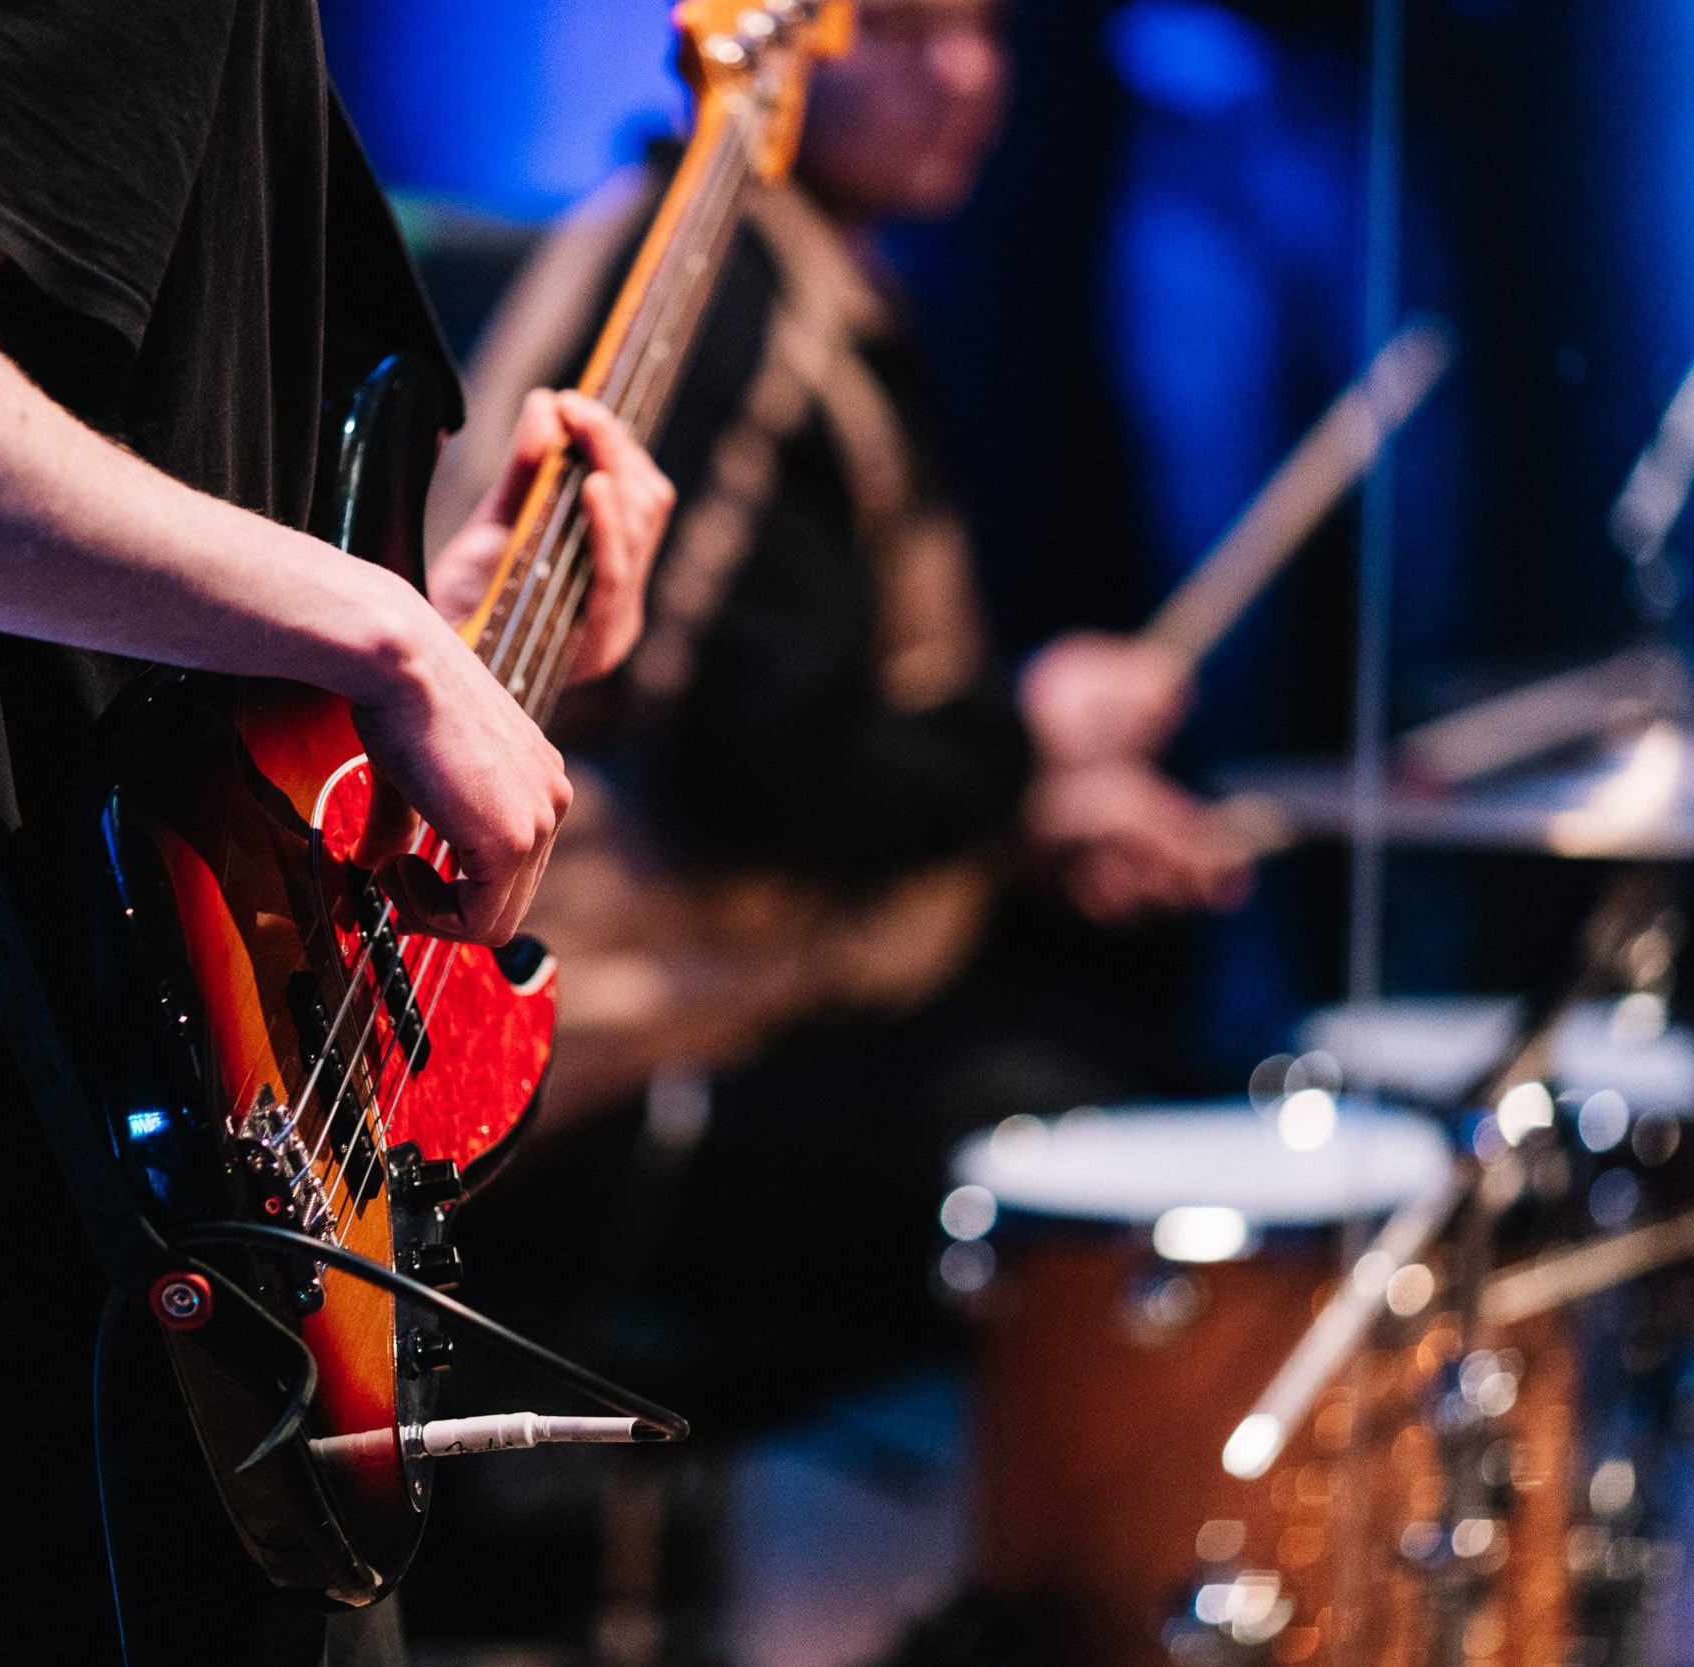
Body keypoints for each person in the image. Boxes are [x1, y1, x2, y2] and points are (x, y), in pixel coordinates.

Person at [0, 0, 673, 1659]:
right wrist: (385, 636)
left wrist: (437, 636)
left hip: (57, 1166)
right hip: (57, 1198)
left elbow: (54, 517)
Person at [392, 0, 1252, 1647]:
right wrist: (1024, 742)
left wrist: (1030, 814)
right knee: (1107, 1186)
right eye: (911, 29)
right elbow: (740, 776)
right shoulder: (725, 301)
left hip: (670, 1016)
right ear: (780, 41)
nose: (973, 74)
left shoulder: (758, 261)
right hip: (593, 1080)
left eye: (990, 32)